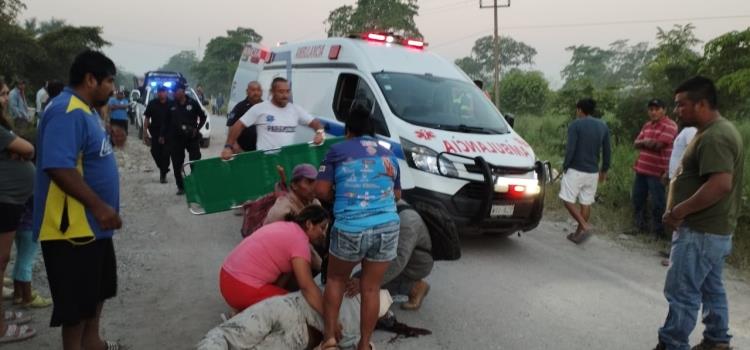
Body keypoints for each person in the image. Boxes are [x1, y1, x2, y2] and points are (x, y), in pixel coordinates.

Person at [33, 50, 123, 350]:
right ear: (90, 79)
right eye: (109, 81)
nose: (113, 88)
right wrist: (99, 207)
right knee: (75, 307)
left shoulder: (87, 111)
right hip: (72, 228)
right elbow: (58, 166)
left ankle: (94, 343)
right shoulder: (66, 110)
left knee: (96, 293)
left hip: (93, 228)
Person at [654, 77, 744, 350]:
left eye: (682, 105)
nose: (676, 110)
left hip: (700, 231)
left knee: (681, 292)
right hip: (711, 232)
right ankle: (717, 340)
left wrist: (679, 211)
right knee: (711, 287)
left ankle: (672, 343)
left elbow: (720, 184)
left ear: (701, 103)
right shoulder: (712, 131)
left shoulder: (716, 136)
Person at [315, 107, 401, 350]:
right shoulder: (389, 154)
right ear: (372, 131)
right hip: (387, 225)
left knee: (335, 279)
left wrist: (341, 196)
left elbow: (320, 191)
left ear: (348, 131)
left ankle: (329, 339)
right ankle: (364, 345)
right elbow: (397, 194)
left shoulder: (337, 151)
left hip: (351, 225)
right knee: (371, 287)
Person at [219, 205, 328, 314]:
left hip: (226, 277)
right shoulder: (300, 242)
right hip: (240, 287)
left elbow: (286, 274)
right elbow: (307, 287)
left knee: (289, 294)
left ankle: (246, 308)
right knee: (297, 307)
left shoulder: (287, 227)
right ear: (309, 224)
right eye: (322, 228)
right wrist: (330, 318)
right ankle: (247, 314)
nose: (323, 234)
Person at [0, 79, 37, 343]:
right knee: (0, 261)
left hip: (10, 200)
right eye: (1, 95)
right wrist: (20, 151)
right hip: (5, 200)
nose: (5, 99)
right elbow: (29, 148)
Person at [347, 200, 433, 311]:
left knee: (366, 287)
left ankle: (415, 287)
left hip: (413, 265)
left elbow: (399, 261)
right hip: (392, 255)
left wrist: (367, 282)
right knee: (355, 281)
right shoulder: (386, 207)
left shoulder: (408, 222)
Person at [220, 77, 325, 160]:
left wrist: (319, 132)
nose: (285, 95)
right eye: (281, 91)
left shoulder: (295, 110)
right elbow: (238, 125)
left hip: (286, 159)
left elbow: (315, 123)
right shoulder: (260, 108)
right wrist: (228, 147)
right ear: (272, 92)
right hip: (265, 160)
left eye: (287, 91)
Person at [559, 98, 611, 244]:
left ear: (579, 110)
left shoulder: (575, 125)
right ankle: (578, 234)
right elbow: (607, 151)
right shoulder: (603, 126)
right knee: (586, 202)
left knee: (567, 200)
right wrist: (604, 170)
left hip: (576, 169)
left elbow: (571, 148)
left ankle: (584, 226)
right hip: (593, 171)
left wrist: (565, 165)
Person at [632, 99, 677, 238]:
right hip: (642, 169)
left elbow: (659, 145)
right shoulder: (647, 125)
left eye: (656, 109)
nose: (653, 112)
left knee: (658, 202)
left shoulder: (670, 125)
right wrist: (647, 142)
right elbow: (635, 144)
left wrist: (645, 142)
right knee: (637, 198)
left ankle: (658, 232)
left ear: (664, 110)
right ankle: (640, 227)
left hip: (658, 171)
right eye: (651, 109)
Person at [163, 82, 207, 195]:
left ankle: (196, 183)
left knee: (195, 161)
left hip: (191, 137)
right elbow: (166, 122)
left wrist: (197, 129)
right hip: (176, 138)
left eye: (176, 91)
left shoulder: (192, 103)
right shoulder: (171, 105)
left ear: (182, 91)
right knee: (177, 163)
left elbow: (203, 117)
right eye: (173, 92)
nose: (174, 94)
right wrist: (162, 135)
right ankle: (181, 187)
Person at [12, 198, 53, 308]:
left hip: (17, 226)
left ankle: (17, 294)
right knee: (26, 262)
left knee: (20, 259)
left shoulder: (21, 186)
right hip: (31, 227)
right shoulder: (33, 187)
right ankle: (27, 298)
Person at [143, 86, 172, 183]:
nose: (161, 93)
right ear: (157, 93)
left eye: (163, 91)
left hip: (168, 133)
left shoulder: (171, 103)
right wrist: (145, 132)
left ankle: (163, 175)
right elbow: (147, 118)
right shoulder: (152, 103)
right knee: (154, 151)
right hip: (155, 132)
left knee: (166, 153)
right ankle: (164, 169)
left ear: (166, 93)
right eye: (159, 92)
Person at [225, 81, 262, 152]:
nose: (256, 93)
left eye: (258, 90)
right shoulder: (239, 107)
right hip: (243, 151)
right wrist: (234, 144)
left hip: (261, 151)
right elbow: (231, 126)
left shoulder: (266, 107)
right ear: (247, 91)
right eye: (253, 90)